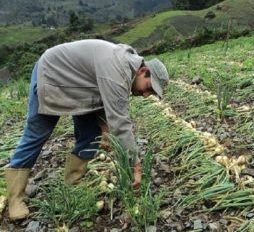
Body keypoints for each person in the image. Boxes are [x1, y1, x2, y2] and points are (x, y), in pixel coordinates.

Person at [5, 39, 169, 221]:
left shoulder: (127, 67)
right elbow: (121, 124)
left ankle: (72, 184)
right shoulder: (117, 71)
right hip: (52, 73)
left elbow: (104, 98)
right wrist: (135, 165)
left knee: (91, 135)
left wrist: (105, 129)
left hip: (81, 86)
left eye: (151, 93)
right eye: (148, 88)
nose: (146, 95)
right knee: (37, 134)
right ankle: (15, 198)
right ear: (143, 71)